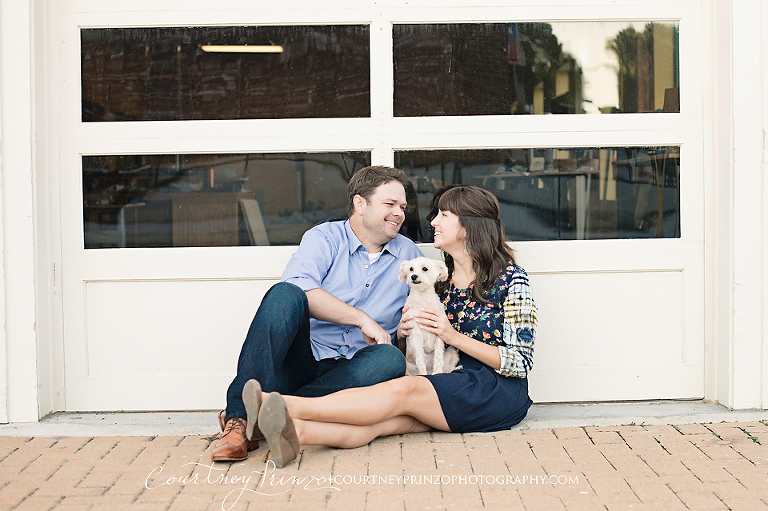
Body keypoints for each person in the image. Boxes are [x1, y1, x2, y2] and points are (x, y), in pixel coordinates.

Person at [240, 185, 537, 468]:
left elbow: (521, 362)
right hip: (444, 377)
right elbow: (419, 344)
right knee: (378, 425)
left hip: (491, 387)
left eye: (444, 215)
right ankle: (299, 434)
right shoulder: (436, 282)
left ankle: (277, 405)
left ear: (469, 226)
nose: (433, 221)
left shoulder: (512, 279)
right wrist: (404, 335)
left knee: (403, 390)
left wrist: (452, 336)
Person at [212, 165, 424, 461]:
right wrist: (361, 318)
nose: (399, 213)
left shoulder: (410, 255)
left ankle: (271, 413)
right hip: (304, 362)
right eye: (389, 204)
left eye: (402, 206)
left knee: (390, 359)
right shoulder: (324, 238)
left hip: (356, 373)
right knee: (285, 294)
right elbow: (301, 287)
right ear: (360, 204)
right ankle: (239, 420)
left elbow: (414, 321)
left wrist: (403, 333)